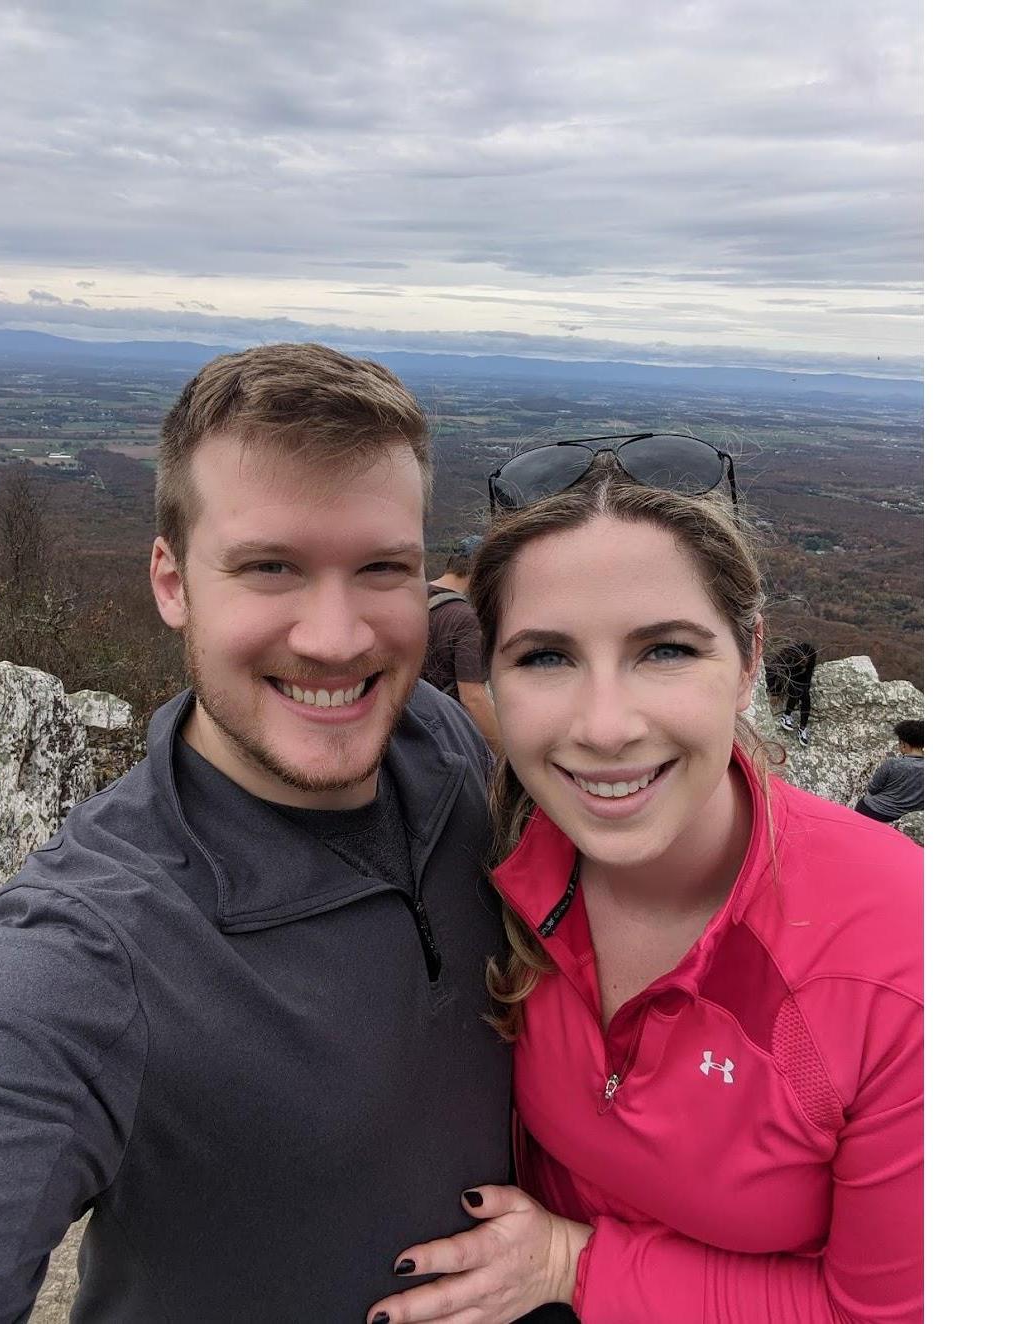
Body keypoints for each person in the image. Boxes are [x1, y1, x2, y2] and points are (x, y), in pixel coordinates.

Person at [0, 343, 516, 1322]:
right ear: (172, 582)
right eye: (270, 567)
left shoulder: (443, 744)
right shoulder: (84, 952)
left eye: (381, 568)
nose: (335, 637)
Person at [368, 446, 922, 1324]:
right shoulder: (490, 863)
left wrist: (570, 1265)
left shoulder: (903, 958)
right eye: (545, 658)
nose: (605, 726)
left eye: (664, 650)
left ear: (747, 662)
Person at [423, 533, 502, 754]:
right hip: (447, 738)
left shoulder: (412, 598)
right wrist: (505, 758)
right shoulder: (465, 618)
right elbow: (473, 697)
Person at [855, 719, 924, 823]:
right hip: (900, 818)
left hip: (871, 810)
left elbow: (872, 789)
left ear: (904, 744)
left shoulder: (892, 763)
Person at [773, 639, 818, 745]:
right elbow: (784, 673)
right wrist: (776, 692)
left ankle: (803, 728)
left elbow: (808, 675)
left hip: (801, 676)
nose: (803, 662)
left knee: (805, 697)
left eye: (805, 660)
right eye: (801, 660)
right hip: (786, 674)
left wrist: (805, 689)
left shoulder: (812, 654)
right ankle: (786, 715)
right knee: (795, 690)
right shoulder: (791, 654)